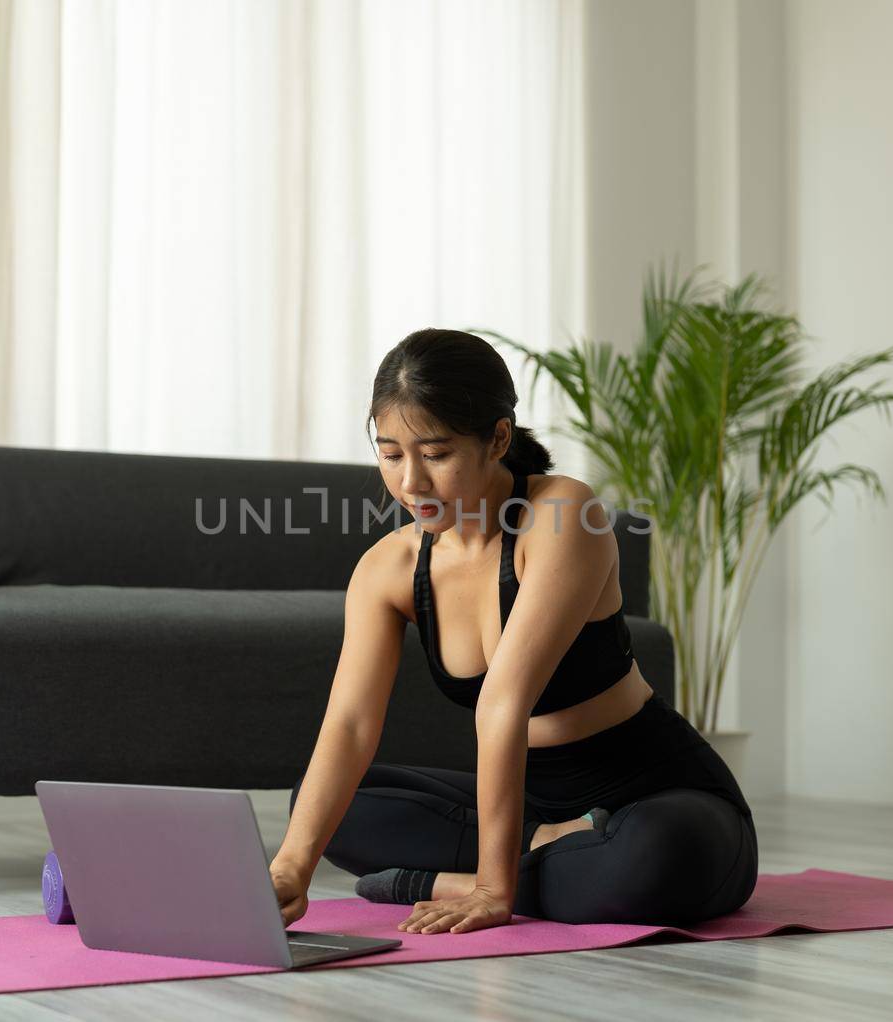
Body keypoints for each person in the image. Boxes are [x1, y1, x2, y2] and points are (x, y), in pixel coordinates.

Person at [268, 328, 757, 936]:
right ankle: (555, 846)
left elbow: (504, 704)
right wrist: (291, 868)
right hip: (529, 808)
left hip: (653, 794)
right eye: (391, 455)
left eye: (436, 453)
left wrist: (493, 890)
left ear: (498, 437)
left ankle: (441, 880)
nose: (411, 482)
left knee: (659, 855)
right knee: (325, 810)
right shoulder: (387, 569)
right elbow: (349, 724)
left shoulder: (562, 516)